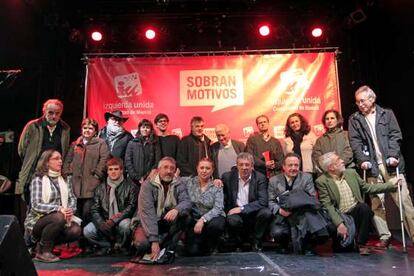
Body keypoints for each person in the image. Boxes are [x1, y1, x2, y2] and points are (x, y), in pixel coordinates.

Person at [348, 85, 414, 246]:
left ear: (372, 99)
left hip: (390, 163)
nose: (360, 104)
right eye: (357, 102)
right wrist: (362, 159)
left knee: (403, 200)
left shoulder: (387, 114)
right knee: (376, 202)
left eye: (362, 101)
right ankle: (385, 236)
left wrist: (392, 155)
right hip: (372, 166)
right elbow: (355, 142)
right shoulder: (354, 119)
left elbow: (395, 135)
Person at [316, 152, 400, 255]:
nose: (342, 161)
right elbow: (327, 206)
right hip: (339, 216)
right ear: (331, 167)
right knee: (344, 250)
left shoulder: (351, 173)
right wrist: (339, 224)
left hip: (355, 212)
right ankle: (346, 242)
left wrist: (390, 185)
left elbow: (367, 188)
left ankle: (361, 244)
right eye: (338, 160)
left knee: (364, 208)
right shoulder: (322, 181)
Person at [130, 157, 191, 264]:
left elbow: (187, 202)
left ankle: (169, 248)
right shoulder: (147, 185)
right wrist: (154, 241)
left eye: (172, 168)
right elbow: (148, 214)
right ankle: (156, 244)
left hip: (164, 221)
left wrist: (176, 209)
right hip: (146, 223)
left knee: (185, 215)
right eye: (165, 167)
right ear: (158, 170)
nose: (169, 171)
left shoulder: (179, 183)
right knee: (143, 244)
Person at [24, 149, 81, 262]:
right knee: (58, 216)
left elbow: (72, 198)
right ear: (46, 162)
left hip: (61, 219)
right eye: (56, 159)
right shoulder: (38, 179)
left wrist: (70, 210)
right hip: (38, 221)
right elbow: (36, 205)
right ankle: (44, 252)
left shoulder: (65, 178)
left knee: (76, 230)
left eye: (60, 158)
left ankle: (42, 247)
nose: (60, 161)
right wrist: (59, 209)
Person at [268, 153, 329, 254]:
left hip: (302, 214)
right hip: (283, 215)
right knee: (277, 232)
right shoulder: (273, 181)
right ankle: (284, 245)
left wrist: (297, 203)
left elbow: (312, 198)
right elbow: (270, 201)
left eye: (296, 165)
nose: (293, 168)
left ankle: (307, 246)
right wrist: (280, 210)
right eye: (290, 165)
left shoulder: (307, 178)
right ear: (284, 166)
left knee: (309, 222)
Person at [83, 157, 138, 255]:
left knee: (126, 225)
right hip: (105, 221)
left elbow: (131, 207)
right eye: (110, 169)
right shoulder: (100, 188)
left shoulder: (131, 187)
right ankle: (106, 246)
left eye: (116, 169)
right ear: (107, 172)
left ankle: (121, 246)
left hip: (121, 220)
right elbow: (95, 209)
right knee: (88, 230)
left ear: (121, 171)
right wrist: (101, 223)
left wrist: (114, 220)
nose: (113, 172)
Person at [16, 99, 70, 197]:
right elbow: (22, 149)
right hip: (34, 172)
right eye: (50, 113)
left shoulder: (65, 129)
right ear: (44, 111)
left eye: (57, 113)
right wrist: (31, 160)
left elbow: (65, 151)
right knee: (32, 203)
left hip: (54, 174)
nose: (54, 116)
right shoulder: (33, 126)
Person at [63, 118, 109, 225]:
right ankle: (76, 238)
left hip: (91, 185)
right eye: (85, 128)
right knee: (76, 214)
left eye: (90, 128)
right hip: (75, 186)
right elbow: (67, 160)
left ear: (95, 131)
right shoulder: (75, 144)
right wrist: (67, 173)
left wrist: (97, 175)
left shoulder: (101, 144)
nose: (87, 130)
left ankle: (85, 238)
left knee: (87, 213)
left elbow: (104, 159)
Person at [222, 152, 271, 252]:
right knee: (232, 220)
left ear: (252, 166)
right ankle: (238, 241)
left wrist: (241, 209)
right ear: (236, 166)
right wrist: (217, 181)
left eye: (247, 165)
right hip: (235, 214)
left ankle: (256, 241)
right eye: (241, 165)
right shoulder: (227, 177)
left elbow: (263, 201)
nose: (244, 167)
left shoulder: (260, 178)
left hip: (253, 211)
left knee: (266, 213)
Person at [183, 158, 225, 255]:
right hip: (195, 219)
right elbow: (173, 178)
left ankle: (214, 244)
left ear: (212, 170)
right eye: (201, 168)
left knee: (216, 225)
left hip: (213, 218)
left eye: (207, 168)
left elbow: (218, 208)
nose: (204, 170)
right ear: (197, 168)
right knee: (193, 252)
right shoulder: (189, 182)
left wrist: (203, 219)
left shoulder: (217, 185)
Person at [312, 109, 354, 175]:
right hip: (328, 173)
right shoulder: (320, 140)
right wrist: (327, 167)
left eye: (332, 118)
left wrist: (338, 164)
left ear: (337, 120)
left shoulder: (346, 135)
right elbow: (317, 156)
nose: (329, 121)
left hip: (346, 170)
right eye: (327, 119)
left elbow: (349, 151)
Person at [125, 119, 160, 186]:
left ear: (151, 130)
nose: (145, 129)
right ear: (139, 129)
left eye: (147, 127)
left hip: (150, 178)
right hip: (133, 180)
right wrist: (136, 177)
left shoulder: (155, 143)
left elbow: (157, 161)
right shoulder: (132, 143)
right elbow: (128, 161)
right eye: (143, 127)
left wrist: (148, 176)